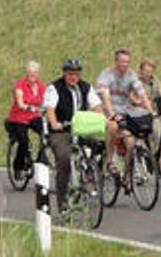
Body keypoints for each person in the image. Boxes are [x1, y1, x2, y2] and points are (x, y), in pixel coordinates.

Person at [43, 59, 103, 213]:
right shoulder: (54, 88)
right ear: (64, 73)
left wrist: (99, 118)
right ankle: (62, 202)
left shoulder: (85, 87)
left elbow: (96, 106)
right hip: (61, 130)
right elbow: (50, 109)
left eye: (76, 74)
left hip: (81, 127)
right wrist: (55, 123)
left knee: (99, 146)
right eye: (70, 74)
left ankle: (89, 173)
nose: (73, 77)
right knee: (63, 158)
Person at [96, 49, 153, 179]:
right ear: (116, 62)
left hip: (124, 110)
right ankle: (109, 161)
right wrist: (112, 115)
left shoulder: (131, 75)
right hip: (106, 109)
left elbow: (142, 93)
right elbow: (106, 98)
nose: (125, 65)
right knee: (113, 126)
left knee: (131, 143)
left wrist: (150, 111)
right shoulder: (106, 75)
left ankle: (127, 177)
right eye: (122, 62)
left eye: (127, 62)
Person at [5, 60, 46, 179]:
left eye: (34, 74)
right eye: (30, 74)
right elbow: (20, 102)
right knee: (24, 141)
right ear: (26, 74)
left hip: (34, 116)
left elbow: (46, 100)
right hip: (19, 117)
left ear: (38, 74)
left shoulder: (41, 85)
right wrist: (27, 106)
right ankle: (18, 166)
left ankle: (40, 158)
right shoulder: (20, 85)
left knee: (46, 133)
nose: (32, 77)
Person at [138, 59, 161, 148]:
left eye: (150, 72)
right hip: (139, 114)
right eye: (145, 71)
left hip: (153, 114)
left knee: (159, 132)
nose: (148, 74)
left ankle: (160, 158)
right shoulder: (136, 82)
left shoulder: (156, 82)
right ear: (140, 71)